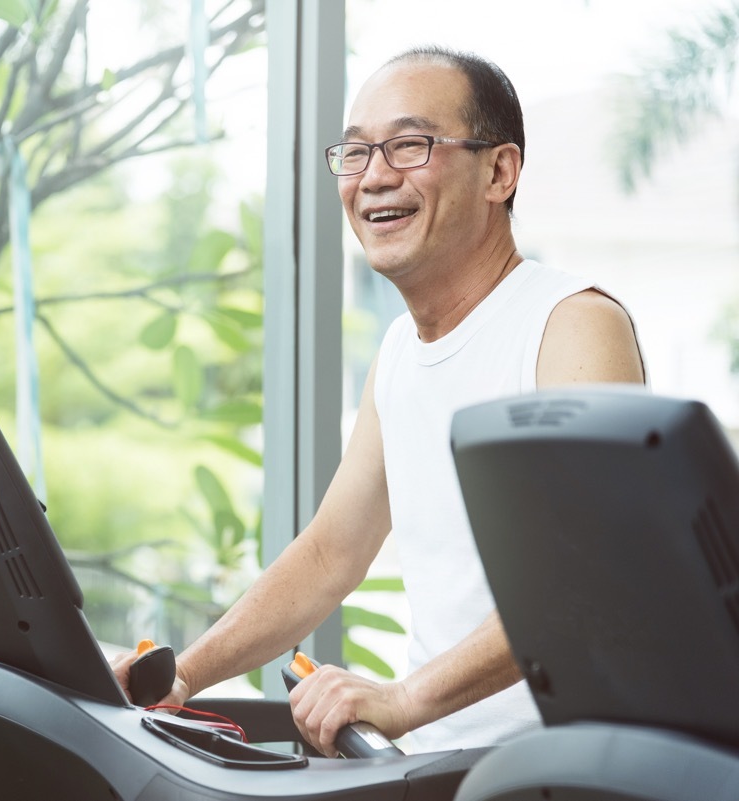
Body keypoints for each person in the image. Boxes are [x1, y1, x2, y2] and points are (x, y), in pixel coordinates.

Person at [112, 45, 647, 755]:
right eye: (357, 152)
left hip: (573, 766)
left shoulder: (572, 324)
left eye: (410, 145)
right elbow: (331, 552)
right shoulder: (400, 351)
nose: (374, 177)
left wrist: (405, 698)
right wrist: (182, 675)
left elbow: (587, 576)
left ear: (499, 172)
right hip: (437, 764)